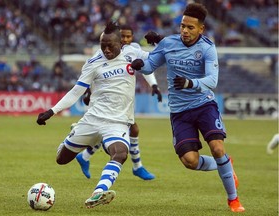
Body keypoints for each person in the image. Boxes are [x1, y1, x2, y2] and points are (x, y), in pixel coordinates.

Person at [131, 3, 245, 213]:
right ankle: (225, 165)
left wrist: (190, 83)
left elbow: (212, 80)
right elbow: (150, 65)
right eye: (183, 26)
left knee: (218, 148)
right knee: (190, 161)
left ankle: (233, 200)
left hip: (204, 105)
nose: (185, 30)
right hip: (179, 112)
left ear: (201, 29)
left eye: (190, 27)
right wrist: (140, 64)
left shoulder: (208, 48)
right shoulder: (168, 43)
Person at [36, 21, 149, 208]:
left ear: (121, 44)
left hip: (118, 122)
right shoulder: (93, 64)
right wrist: (52, 111)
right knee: (61, 160)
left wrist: (146, 61)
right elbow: (76, 91)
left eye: (110, 45)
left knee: (120, 153)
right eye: (102, 45)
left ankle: (98, 192)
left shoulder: (133, 53)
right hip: (92, 119)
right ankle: (75, 133)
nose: (106, 50)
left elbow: (156, 60)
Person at [75, 24, 162, 180]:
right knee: (124, 130)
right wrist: (88, 91)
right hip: (105, 99)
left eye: (128, 36)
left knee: (124, 131)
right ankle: (137, 167)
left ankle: (85, 156)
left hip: (122, 100)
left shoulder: (132, 50)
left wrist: (154, 85)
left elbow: (146, 67)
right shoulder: (106, 50)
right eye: (122, 36)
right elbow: (92, 71)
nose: (125, 39)